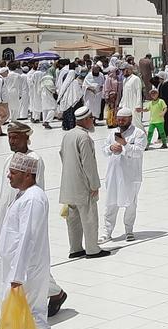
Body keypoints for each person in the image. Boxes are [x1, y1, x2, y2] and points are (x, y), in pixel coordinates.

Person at [0, 123, 65, 329]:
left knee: (24, 268)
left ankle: (3, 314)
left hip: (22, 222)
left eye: (16, 138)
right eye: (9, 137)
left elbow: (36, 192)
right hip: (6, 221)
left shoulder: (34, 160)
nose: (12, 141)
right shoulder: (9, 160)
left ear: (27, 138)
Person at [0, 152, 72, 329]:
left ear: (28, 175)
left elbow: (27, 238)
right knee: (12, 317)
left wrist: (17, 275)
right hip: (14, 269)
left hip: (25, 271)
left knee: (27, 317)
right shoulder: (23, 195)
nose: (9, 175)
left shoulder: (33, 198)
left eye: (14, 172)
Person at [59, 106, 106, 259]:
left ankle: (76, 248)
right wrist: (94, 185)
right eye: (91, 118)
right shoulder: (84, 137)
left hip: (68, 184)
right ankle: (92, 249)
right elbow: (88, 164)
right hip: (82, 185)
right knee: (89, 217)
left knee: (73, 220)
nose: (92, 121)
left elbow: (62, 156)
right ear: (85, 120)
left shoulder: (68, 135)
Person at [102, 107, 143, 242]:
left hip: (130, 177)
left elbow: (138, 152)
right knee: (111, 204)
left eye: (123, 120)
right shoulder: (112, 133)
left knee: (130, 204)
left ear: (130, 119)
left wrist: (124, 145)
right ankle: (107, 232)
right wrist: (110, 148)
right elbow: (104, 150)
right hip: (113, 175)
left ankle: (129, 230)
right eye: (118, 120)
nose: (120, 122)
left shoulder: (138, 133)